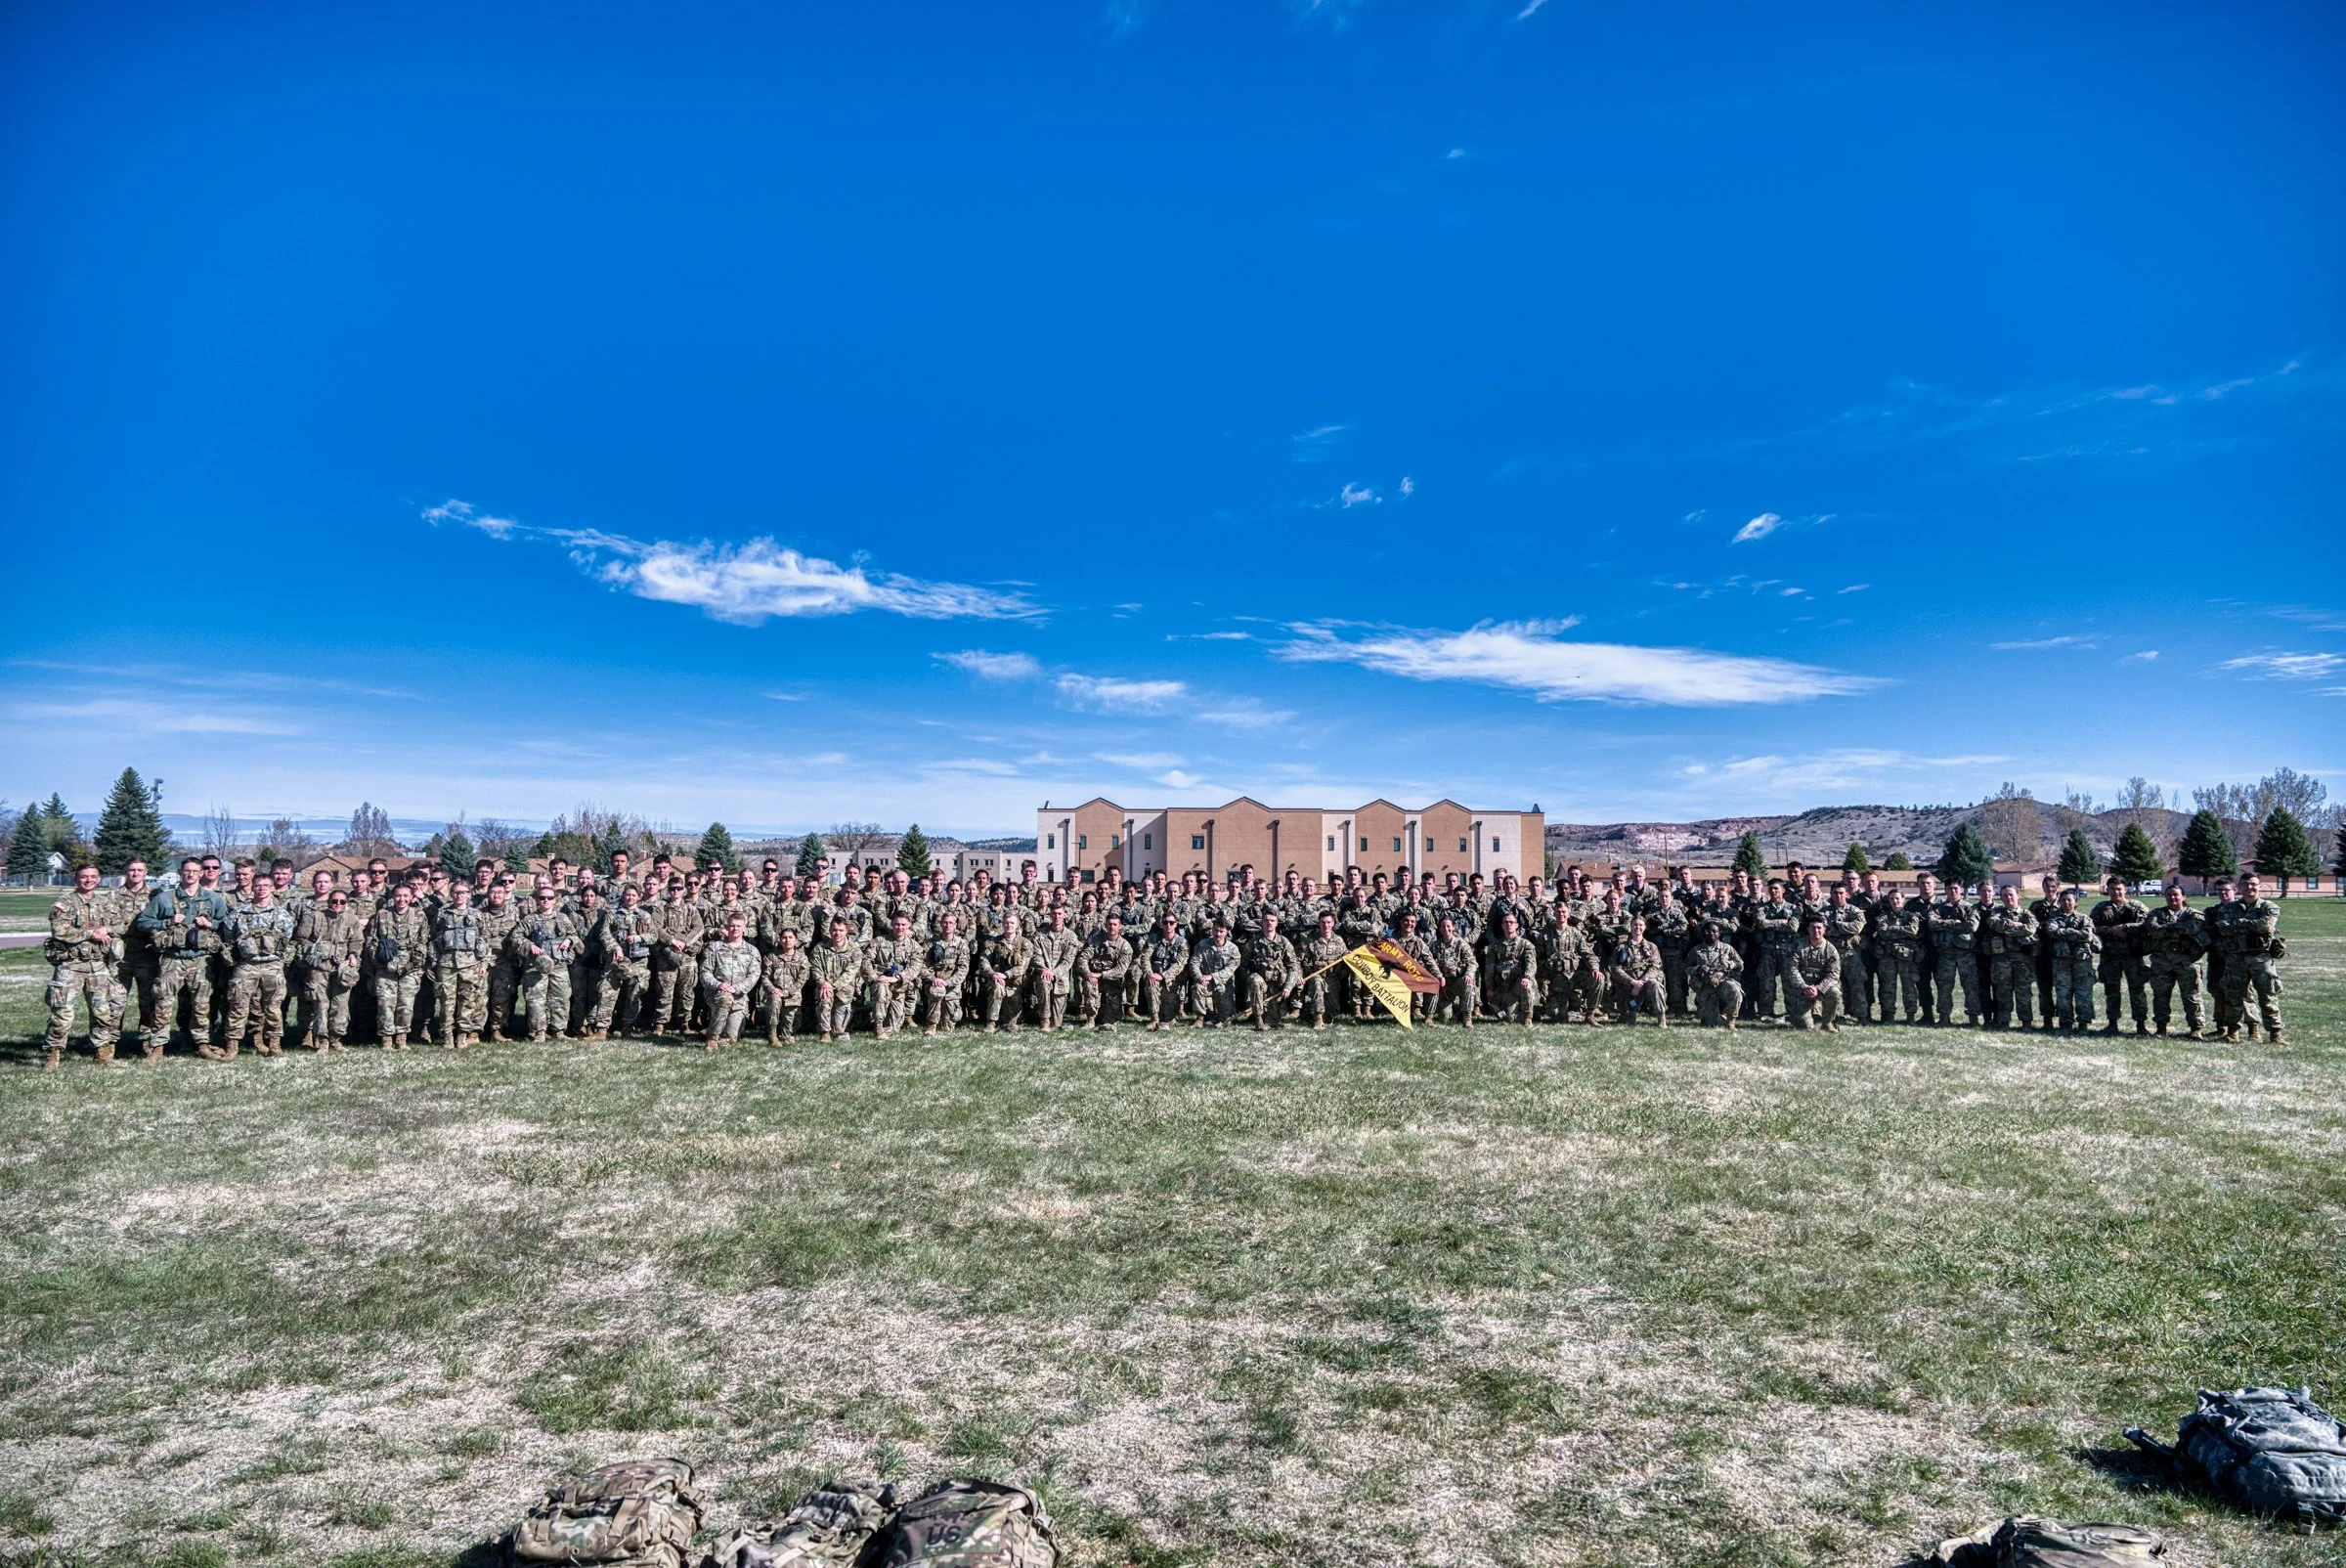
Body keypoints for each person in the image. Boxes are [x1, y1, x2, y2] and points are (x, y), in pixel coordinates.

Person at [136, 856, 229, 1060]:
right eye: (187, 871)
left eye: (195, 871)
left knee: (202, 1004)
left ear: (201, 873)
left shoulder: (212, 899)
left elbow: (228, 923)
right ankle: (158, 1046)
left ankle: (202, 1044)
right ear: (180, 872)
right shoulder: (164, 899)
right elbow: (142, 922)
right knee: (163, 1003)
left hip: (201, 959)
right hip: (173, 959)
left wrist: (210, 924)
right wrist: (166, 922)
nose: (191, 875)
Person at [44, 862, 124, 1069]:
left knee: (102, 1011)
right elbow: (60, 931)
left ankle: (102, 1052)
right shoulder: (65, 903)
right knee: (62, 1013)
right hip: (70, 966)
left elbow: (122, 925)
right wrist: (91, 932)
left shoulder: (105, 903)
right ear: (76, 879)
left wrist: (105, 929)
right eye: (84, 876)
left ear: (98, 879)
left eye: (93, 876)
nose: (88, 880)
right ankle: (53, 1054)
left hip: (98, 965)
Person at [2207, 872, 2284, 1044]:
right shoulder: (2228, 908)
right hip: (2236, 958)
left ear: (2259, 886)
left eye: (2253, 884)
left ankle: (2275, 1034)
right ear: (2240, 887)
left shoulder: (2268, 907)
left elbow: (2266, 925)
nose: (2249, 887)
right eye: (2246, 884)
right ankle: (2233, 1032)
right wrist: (2251, 926)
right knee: (2233, 996)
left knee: (2268, 996)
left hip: (2261, 958)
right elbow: (2222, 928)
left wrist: (2238, 924)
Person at [225, 876, 296, 1057]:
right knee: (238, 1005)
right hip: (246, 966)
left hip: (273, 965)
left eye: (266, 885)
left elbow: (288, 939)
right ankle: (232, 1047)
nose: (261, 889)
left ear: (272, 888)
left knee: (273, 1007)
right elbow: (228, 936)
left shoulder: (282, 914)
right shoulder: (239, 912)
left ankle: (274, 1044)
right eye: (257, 886)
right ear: (252, 888)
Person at [292, 882, 365, 1051]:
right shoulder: (314, 916)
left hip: (342, 968)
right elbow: (301, 939)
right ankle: (322, 1040)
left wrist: (353, 955)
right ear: (329, 902)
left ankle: (336, 1038)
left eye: (342, 902)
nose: (338, 905)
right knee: (320, 1004)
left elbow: (357, 941)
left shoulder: (351, 919)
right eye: (334, 901)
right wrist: (312, 951)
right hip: (319, 967)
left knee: (340, 1005)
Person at [509, 887, 582, 1044]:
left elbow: (574, 935)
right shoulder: (530, 919)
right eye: (542, 898)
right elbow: (515, 937)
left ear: (555, 900)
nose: (546, 901)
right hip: (536, 966)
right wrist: (529, 945)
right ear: (537, 900)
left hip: (559, 965)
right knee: (536, 1000)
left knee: (561, 998)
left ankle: (558, 1030)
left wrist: (569, 940)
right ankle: (538, 1032)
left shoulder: (562, 918)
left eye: (549, 898)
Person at [366, 882, 431, 1050]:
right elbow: (372, 940)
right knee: (385, 1004)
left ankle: (401, 1038)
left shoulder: (419, 915)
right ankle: (386, 1038)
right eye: (398, 896)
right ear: (393, 897)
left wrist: (415, 962)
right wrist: (377, 959)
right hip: (385, 966)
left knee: (406, 1004)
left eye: (405, 896)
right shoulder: (382, 915)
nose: (401, 899)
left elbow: (422, 941)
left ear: (411, 897)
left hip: (410, 967)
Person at [2140, 883, 2209, 1039]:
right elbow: (2154, 930)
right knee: (2161, 996)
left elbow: (2195, 927)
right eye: (2169, 894)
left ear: (2183, 897)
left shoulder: (2193, 913)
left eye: (2176, 894)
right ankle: (2161, 1028)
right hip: (2162, 962)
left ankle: (2196, 1029)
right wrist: (2179, 929)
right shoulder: (2156, 913)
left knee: (2192, 996)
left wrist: (2169, 928)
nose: (2172, 897)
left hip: (2187, 962)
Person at [432, 880, 489, 1048]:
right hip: (447, 964)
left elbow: (484, 939)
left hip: (470, 964)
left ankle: (462, 1035)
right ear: (451, 894)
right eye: (456, 892)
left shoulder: (477, 915)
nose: (459, 895)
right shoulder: (443, 913)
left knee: (468, 1000)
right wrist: (433, 962)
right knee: (446, 1001)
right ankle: (447, 1035)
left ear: (469, 895)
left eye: (463, 892)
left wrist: (484, 964)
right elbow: (435, 938)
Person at [1979, 884, 2039, 1031]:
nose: (2008, 898)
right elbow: (1994, 924)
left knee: (2024, 992)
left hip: (2023, 961)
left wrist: (2008, 929)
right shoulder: (1996, 912)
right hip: (2001, 960)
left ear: (2018, 896)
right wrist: (2016, 925)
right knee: (2003, 992)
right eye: (2004, 895)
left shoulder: (2027, 914)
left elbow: (2031, 928)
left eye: (2011, 894)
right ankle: (2003, 1022)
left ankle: (2026, 1023)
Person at [2043, 890, 2101, 1037]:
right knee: (2063, 993)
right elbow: (2051, 932)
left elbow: (2087, 935)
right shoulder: (2053, 918)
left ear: (2076, 902)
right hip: (2061, 962)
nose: (2066, 903)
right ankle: (2065, 1022)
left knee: (2083, 993)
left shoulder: (2084, 918)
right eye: (2063, 900)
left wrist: (2064, 932)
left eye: (2070, 900)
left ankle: (2083, 1023)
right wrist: (2075, 933)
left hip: (2082, 961)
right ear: (2059, 902)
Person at [699, 914, 760, 1049]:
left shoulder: (752, 951)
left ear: (744, 928)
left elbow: (754, 975)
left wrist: (737, 988)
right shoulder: (714, 948)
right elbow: (705, 972)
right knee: (726, 999)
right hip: (717, 994)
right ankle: (713, 1038)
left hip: (739, 998)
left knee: (732, 1038)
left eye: (738, 926)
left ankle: (712, 1030)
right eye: (732, 925)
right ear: (726, 927)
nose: (735, 928)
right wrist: (718, 984)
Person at [1608, 914, 1667, 1027]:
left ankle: (1661, 1017)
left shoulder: (1651, 947)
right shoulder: (1620, 947)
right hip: (1627, 985)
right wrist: (1632, 982)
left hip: (1646, 984)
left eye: (1640, 925)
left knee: (1655, 984)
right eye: (1635, 925)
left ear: (1644, 927)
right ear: (1630, 927)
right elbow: (1615, 968)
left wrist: (1641, 982)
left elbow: (1655, 967)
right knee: (1628, 1020)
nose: (1637, 927)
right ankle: (1627, 1014)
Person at [809, 918, 862, 1042]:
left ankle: (834, 1028)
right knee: (825, 999)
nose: (837, 933)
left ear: (846, 931)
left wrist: (833, 986)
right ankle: (824, 1032)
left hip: (844, 992)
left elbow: (850, 972)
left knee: (838, 1031)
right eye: (834, 930)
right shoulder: (820, 948)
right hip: (824, 989)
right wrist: (823, 983)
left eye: (841, 930)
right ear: (829, 930)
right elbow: (815, 968)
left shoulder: (854, 950)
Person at [1786, 917, 1843, 1032]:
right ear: (1808, 929)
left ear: (1824, 929)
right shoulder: (1798, 946)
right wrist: (1804, 987)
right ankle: (1807, 1015)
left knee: (1835, 992)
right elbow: (1792, 970)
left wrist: (1818, 989)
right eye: (1813, 928)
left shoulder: (1831, 950)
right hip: (1802, 990)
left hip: (1822, 988)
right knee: (1805, 1027)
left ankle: (1827, 1023)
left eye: (1819, 928)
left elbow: (1833, 974)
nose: (1816, 931)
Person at [1484, 912, 1539, 1025]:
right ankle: (1518, 1012)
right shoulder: (1494, 946)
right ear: (1502, 926)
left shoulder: (1526, 945)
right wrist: (1490, 988)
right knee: (1506, 1016)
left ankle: (1528, 1018)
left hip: (1518, 985)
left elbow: (1531, 964)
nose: (1509, 924)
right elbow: (1489, 969)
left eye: (1511, 922)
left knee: (1527, 985)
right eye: (1506, 922)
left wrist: (1527, 977)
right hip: (1502, 987)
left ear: (1517, 925)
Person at [922, 911, 972, 1037]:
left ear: (955, 925)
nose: (947, 925)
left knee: (947, 1027)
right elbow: (921, 965)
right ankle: (931, 1025)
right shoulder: (930, 943)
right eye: (945, 922)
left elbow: (963, 969)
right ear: (940, 924)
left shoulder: (961, 944)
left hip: (952, 986)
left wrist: (948, 982)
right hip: (934, 983)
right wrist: (933, 979)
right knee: (937, 991)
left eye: (951, 923)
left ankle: (948, 1017)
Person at [1686, 922, 1744, 1030]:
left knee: (1735, 990)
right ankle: (1708, 1013)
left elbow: (1740, 964)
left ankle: (1731, 1019)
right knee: (1709, 1022)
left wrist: (1729, 964)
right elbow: (1686, 968)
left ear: (1719, 933)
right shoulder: (1696, 950)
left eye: (1715, 931)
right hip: (1705, 986)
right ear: (1704, 933)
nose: (1711, 934)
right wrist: (1698, 968)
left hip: (1723, 982)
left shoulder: (1727, 948)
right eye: (1708, 931)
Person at [1189, 918, 1242, 1028]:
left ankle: (1220, 1015)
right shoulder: (1202, 945)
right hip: (1205, 984)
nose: (1218, 934)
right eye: (1216, 930)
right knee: (1198, 987)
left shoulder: (1233, 949)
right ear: (1212, 930)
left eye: (1221, 931)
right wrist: (1200, 978)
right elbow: (1194, 963)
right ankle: (1200, 1018)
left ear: (1226, 932)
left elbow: (1230, 969)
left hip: (1223, 985)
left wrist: (1212, 977)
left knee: (1225, 1019)